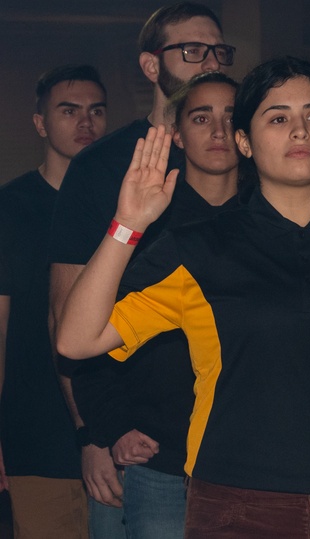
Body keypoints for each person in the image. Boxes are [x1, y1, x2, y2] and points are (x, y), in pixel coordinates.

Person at [55, 56, 310, 539]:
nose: (300, 131)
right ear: (244, 141)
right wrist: (128, 225)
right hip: (236, 507)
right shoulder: (196, 250)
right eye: (278, 118)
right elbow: (77, 340)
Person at [47, 4, 232, 535]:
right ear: (152, 67)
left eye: (219, 51)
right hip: (136, 444)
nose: (210, 61)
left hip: (228, 444)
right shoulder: (100, 168)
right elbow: (68, 314)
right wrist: (94, 435)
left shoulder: (246, 167)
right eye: (192, 50)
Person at [0, 64, 106, 539]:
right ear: (41, 123)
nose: (86, 122)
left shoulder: (127, 204)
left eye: (96, 111)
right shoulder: (10, 208)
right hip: (36, 437)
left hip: (121, 442)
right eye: (69, 111)